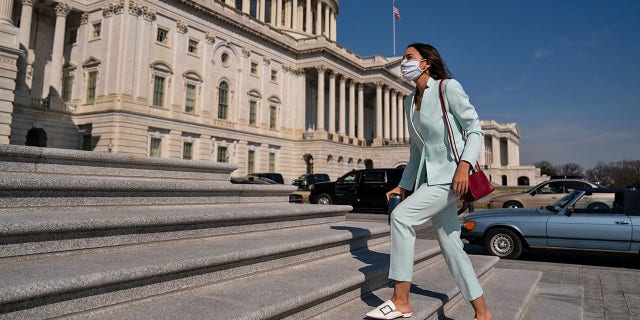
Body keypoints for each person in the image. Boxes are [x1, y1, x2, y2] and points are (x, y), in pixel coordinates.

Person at [366, 43, 493, 320]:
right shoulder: (408, 102)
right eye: (403, 59)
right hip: (428, 179)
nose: (403, 63)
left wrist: (463, 166)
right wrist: (403, 185)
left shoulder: (448, 88)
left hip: (450, 179)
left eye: (409, 57)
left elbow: (474, 130)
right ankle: (482, 312)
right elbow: (416, 151)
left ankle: (401, 300)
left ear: (426, 63)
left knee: (401, 218)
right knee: (452, 247)